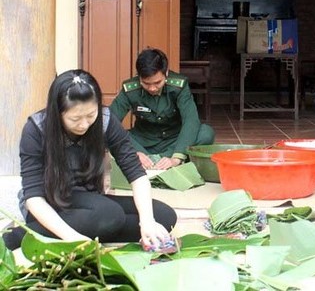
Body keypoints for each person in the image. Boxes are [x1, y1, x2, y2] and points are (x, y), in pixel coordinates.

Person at [2, 70, 177, 251]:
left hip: (91, 202)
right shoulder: (36, 129)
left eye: (91, 115)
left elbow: (136, 174)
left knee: (163, 216)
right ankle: (21, 236)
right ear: (58, 112)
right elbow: (33, 197)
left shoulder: (106, 120)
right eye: (75, 118)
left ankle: (96, 227)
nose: (84, 124)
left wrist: (147, 222)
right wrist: (74, 239)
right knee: (110, 214)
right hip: (49, 204)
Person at [110, 48, 215, 170]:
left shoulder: (179, 86)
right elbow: (110, 122)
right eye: (146, 83)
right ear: (139, 77)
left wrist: (176, 157)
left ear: (166, 74)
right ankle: (153, 160)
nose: (152, 88)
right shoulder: (130, 89)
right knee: (110, 133)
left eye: (157, 83)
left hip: (174, 141)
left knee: (206, 133)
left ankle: (164, 160)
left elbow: (191, 121)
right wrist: (135, 152)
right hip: (143, 141)